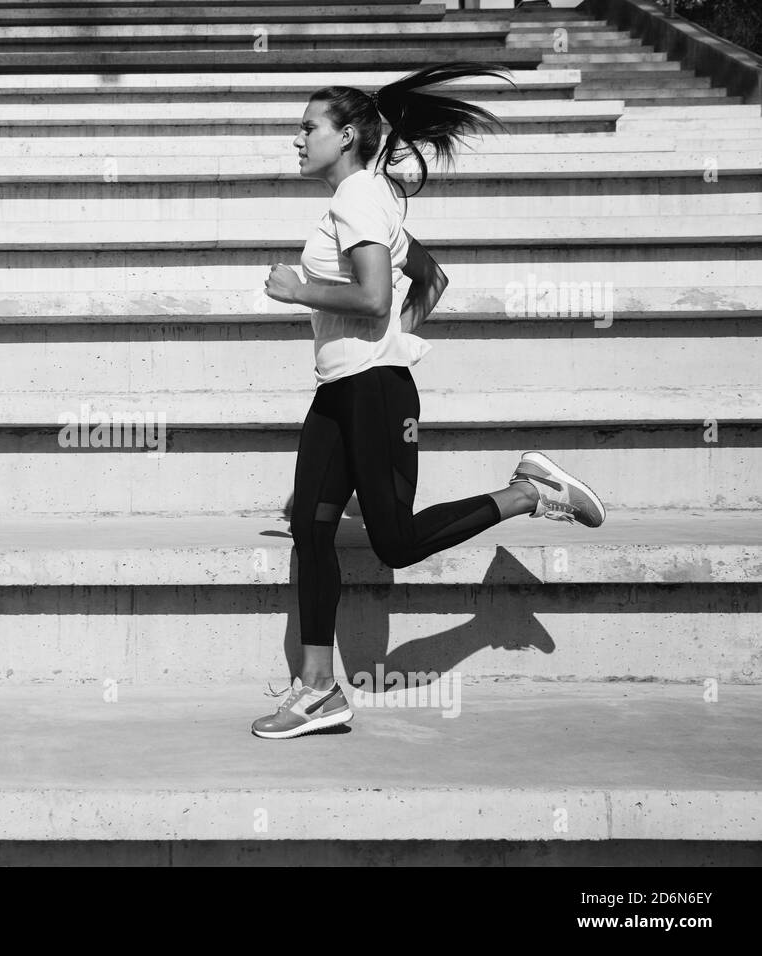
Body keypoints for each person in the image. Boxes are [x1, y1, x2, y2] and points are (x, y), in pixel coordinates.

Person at [253, 62, 606, 740]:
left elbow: (375, 297)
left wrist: (301, 292)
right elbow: (431, 278)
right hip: (342, 389)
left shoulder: (357, 198)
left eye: (307, 128)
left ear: (347, 134)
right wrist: (389, 341)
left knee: (396, 541)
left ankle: (529, 492)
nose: (296, 140)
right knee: (311, 530)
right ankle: (319, 689)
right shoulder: (367, 199)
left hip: (373, 394)